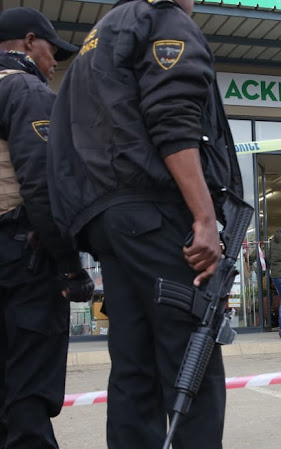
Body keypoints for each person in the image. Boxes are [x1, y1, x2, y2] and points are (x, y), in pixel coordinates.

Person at [46, 0, 244, 446]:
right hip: (157, 217)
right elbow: (173, 121)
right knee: (191, 365)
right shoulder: (164, 19)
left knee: (134, 370)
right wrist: (205, 216)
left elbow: (60, 154)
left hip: (112, 225)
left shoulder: (96, 41)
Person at [0, 9, 94, 449]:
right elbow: (42, 186)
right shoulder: (25, 90)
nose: (54, 62)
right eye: (51, 51)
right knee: (28, 392)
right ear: (28, 40)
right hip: (21, 262)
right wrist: (70, 265)